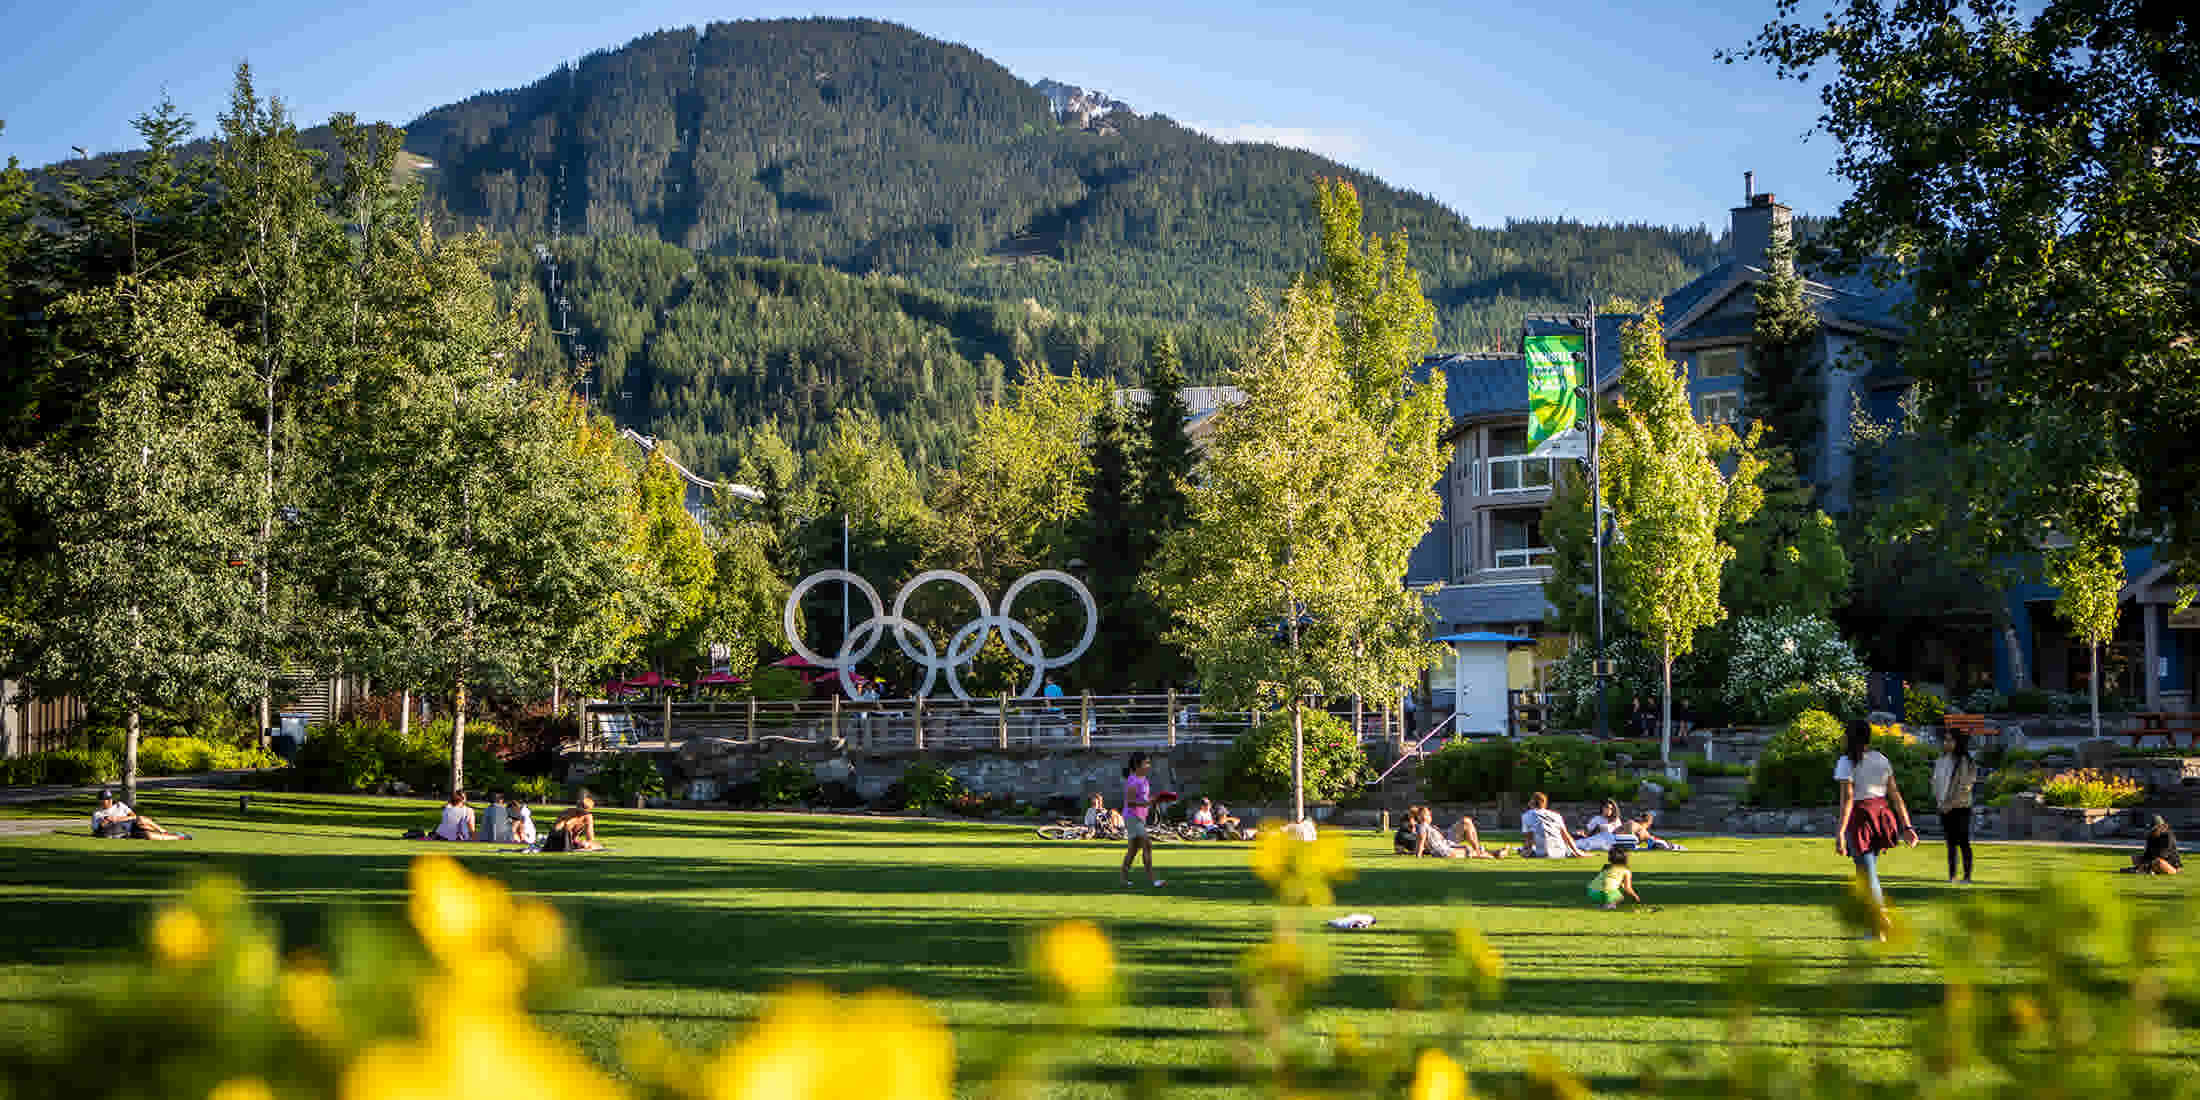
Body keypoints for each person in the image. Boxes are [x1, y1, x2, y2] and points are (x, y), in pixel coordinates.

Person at [1833, 719, 1918, 918]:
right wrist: (1907, 825)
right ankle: (1872, 921)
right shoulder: (1881, 759)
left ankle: (1880, 919)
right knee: (1865, 872)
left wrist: (1839, 833)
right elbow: (1896, 796)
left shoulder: (1846, 762)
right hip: (1881, 816)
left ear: (1850, 737)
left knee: (1867, 872)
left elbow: (1848, 801)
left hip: (1861, 819)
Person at [1931, 731, 1978, 883]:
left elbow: (1964, 786)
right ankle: (1952, 876)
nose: (1947, 743)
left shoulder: (1964, 761)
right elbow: (1936, 783)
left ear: (1958, 742)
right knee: (1950, 843)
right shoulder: (1941, 760)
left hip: (1961, 807)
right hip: (1944, 807)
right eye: (1945, 740)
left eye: (1950, 740)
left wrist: (1950, 804)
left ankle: (1967, 876)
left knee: (1963, 841)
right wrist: (1940, 803)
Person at [1119, 752, 1164, 887]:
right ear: (1138, 765)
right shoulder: (1133, 780)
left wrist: (1155, 801)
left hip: (1140, 817)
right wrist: (1148, 803)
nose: (1149, 766)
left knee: (1133, 849)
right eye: (1146, 763)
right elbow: (1131, 802)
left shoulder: (1144, 780)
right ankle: (1153, 880)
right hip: (1132, 817)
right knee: (1147, 845)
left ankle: (1123, 879)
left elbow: (1143, 799)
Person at [91, 790, 187, 840]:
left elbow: (134, 816)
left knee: (141, 819)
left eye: (110, 798)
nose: (109, 801)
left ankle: (164, 831)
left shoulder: (119, 805)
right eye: (106, 799)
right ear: (100, 801)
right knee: (148, 835)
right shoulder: (97, 814)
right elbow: (95, 830)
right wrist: (103, 824)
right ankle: (178, 837)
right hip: (126, 832)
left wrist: (118, 819)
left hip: (132, 824)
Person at [1520, 792, 1583, 858]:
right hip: (1562, 852)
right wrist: (1577, 852)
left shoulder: (1526, 815)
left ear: (1531, 803)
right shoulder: (1556, 815)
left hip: (1543, 853)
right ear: (1545, 803)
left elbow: (1529, 838)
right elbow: (1566, 836)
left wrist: (1526, 851)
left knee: (1523, 851)